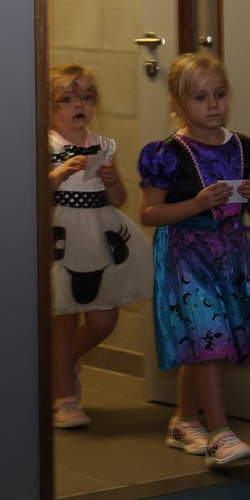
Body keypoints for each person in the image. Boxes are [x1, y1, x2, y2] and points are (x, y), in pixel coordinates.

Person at [136, 53, 250, 467]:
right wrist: (195, 204)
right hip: (185, 256)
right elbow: (148, 213)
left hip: (230, 257)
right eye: (200, 97)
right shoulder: (168, 154)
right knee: (211, 339)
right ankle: (220, 433)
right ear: (177, 105)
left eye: (220, 94)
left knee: (209, 338)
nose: (213, 104)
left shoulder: (247, 148)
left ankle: (183, 420)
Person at [47, 64, 150, 430]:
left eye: (87, 98)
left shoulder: (104, 145)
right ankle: (64, 398)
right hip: (61, 237)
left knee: (104, 319)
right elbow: (35, 193)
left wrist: (112, 180)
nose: (80, 105)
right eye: (68, 99)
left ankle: (61, 364)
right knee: (63, 320)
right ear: (49, 107)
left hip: (98, 234)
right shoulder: (46, 145)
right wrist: (58, 174)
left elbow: (119, 200)